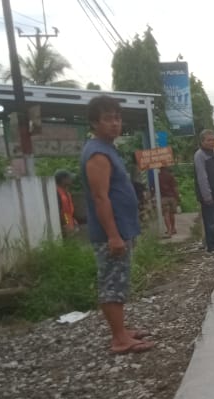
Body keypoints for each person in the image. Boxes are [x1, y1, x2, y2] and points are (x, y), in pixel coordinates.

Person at [79, 95, 153, 355]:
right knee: (112, 282)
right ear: (94, 123)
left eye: (118, 118)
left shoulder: (108, 148)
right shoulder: (97, 154)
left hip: (122, 228)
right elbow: (101, 197)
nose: (115, 123)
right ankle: (119, 339)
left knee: (119, 281)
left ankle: (122, 331)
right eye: (108, 119)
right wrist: (113, 235)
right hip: (112, 232)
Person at [194, 129, 214, 252]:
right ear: (202, 141)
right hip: (208, 196)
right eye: (208, 140)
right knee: (211, 221)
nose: (211, 142)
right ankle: (211, 246)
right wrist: (207, 196)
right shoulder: (199, 155)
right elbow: (202, 177)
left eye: (213, 140)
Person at [159, 167, 180, 236]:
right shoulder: (171, 176)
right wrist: (178, 197)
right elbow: (175, 188)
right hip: (172, 197)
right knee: (172, 214)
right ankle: (173, 228)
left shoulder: (158, 177)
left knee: (166, 214)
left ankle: (169, 230)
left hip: (163, 198)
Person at [54, 170, 77, 236]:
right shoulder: (56, 192)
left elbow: (69, 211)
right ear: (63, 180)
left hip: (69, 223)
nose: (71, 179)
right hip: (64, 226)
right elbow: (61, 212)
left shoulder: (65, 191)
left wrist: (73, 221)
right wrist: (66, 224)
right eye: (69, 178)